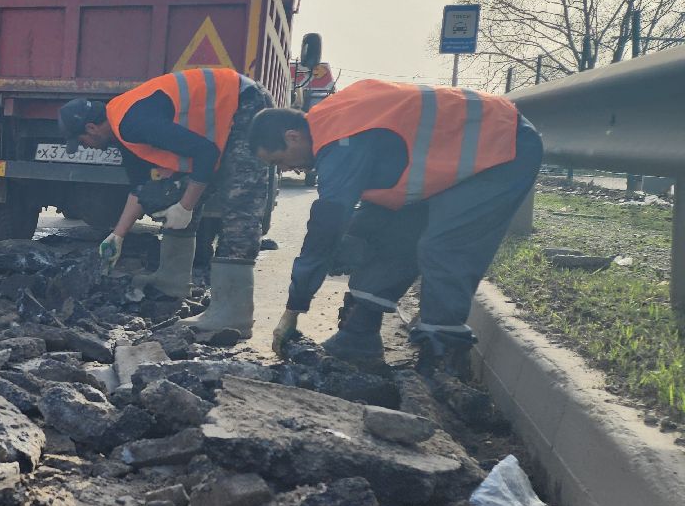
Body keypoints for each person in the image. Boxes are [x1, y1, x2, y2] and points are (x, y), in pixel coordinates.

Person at [250, 79, 543, 370]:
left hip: (502, 145)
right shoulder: (333, 126)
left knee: (444, 247)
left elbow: (325, 229)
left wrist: (294, 308)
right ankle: (359, 333)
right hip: (457, 157)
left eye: (279, 162)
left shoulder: (340, 140)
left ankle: (443, 356)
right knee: (372, 231)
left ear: (292, 137)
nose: (287, 170)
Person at [58, 66, 273, 339]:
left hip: (244, 105)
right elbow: (141, 189)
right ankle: (172, 280)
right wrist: (117, 236)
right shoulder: (122, 131)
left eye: (82, 141)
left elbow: (206, 153)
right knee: (167, 192)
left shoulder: (133, 122)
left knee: (240, 202)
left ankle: (233, 314)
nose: (85, 146)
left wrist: (185, 207)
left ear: (91, 127)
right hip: (221, 122)